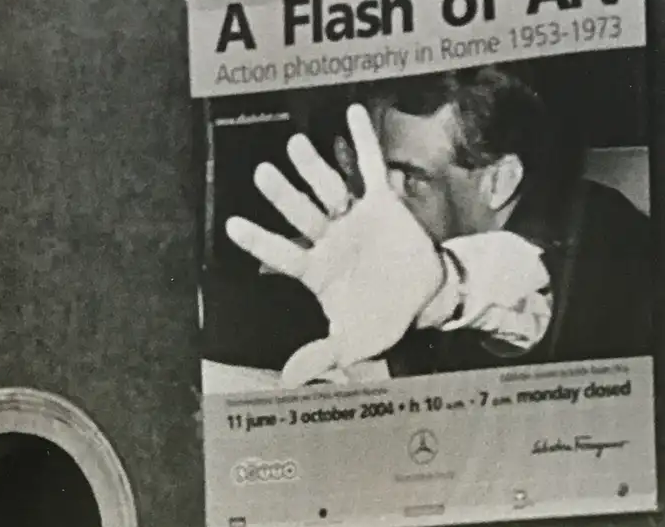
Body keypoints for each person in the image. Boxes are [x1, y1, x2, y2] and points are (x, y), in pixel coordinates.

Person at [221, 66, 652, 386]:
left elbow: (524, 288)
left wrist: (450, 288)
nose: (385, 203)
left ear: (499, 181)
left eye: (412, 179)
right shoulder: (426, 253)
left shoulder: (605, 236)